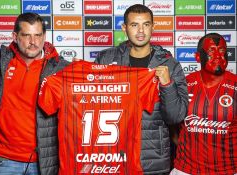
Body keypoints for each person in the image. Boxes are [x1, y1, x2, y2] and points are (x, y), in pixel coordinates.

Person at [94, 4, 189, 174]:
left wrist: (167, 85)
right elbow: (91, 106)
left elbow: (175, 116)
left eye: (145, 24)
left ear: (153, 27)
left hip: (153, 158)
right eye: (134, 25)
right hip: (113, 154)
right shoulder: (106, 59)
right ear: (124, 28)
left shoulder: (169, 64)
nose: (140, 31)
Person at [0, 13, 69, 175]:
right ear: (15, 36)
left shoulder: (62, 69)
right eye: (26, 35)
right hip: (4, 159)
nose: (33, 42)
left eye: (37, 35)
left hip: (44, 161)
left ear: (44, 36)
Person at [171, 33, 237, 175]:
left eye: (222, 51)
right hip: (185, 170)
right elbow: (171, 123)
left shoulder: (235, 85)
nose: (218, 56)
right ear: (198, 57)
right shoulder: (184, 84)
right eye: (211, 51)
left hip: (228, 170)